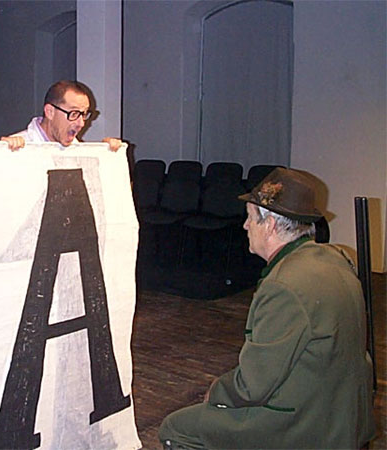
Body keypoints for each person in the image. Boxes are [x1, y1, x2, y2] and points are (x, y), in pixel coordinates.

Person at [159, 167, 375, 449]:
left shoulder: (284, 286)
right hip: (342, 412)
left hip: (308, 424)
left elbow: (253, 386)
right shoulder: (335, 258)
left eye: (250, 218)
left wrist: (217, 391)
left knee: (176, 428)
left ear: (270, 225)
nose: (245, 226)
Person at [0, 80, 123, 211]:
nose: (81, 123)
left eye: (84, 114)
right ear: (50, 112)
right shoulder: (18, 147)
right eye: (74, 113)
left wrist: (109, 158)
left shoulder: (80, 152)